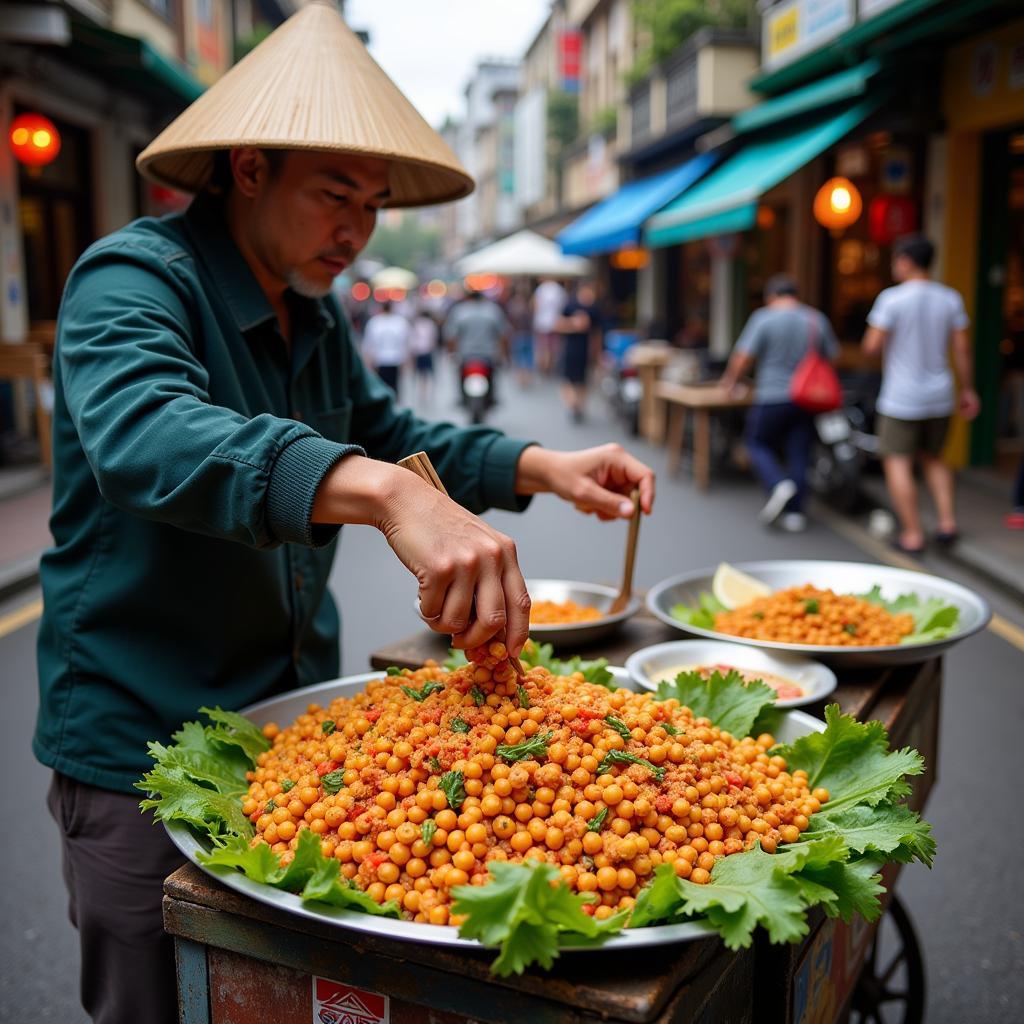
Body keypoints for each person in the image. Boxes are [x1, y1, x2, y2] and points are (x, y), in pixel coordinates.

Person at [33, 8, 656, 1023]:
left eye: (371, 205)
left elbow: (391, 428)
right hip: (137, 736)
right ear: (246, 168)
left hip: (285, 735)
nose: (357, 231)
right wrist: (384, 490)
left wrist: (544, 464)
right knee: (154, 1002)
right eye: (333, 195)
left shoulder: (313, 316)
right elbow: (146, 434)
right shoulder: (134, 280)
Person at [862, 233, 980, 553]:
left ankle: (913, 534)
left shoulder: (892, 299)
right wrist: (968, 389)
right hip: (940, 394)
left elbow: (871, 346)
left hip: (901, 398)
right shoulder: (950, 298)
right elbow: (963, 348)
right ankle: (946, 523)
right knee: (934, 459)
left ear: (904, 260)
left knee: (897, 462)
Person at [721, 274, 839, 532]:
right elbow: (832, 357)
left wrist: (730, 382)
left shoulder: (764, 318)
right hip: (806, 397)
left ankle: (778, 483)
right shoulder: (816, 319)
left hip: (772, 395)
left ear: (771, 296)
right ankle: (796, 513)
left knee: (756, 442)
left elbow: (743, 356)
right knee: (800, 451)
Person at [442, 284, 510, 387]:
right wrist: (503, 355)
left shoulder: (459, 311)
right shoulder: (493, 310)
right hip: (488, 354)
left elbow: (451, 335)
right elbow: (503, 334)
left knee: (461, 376)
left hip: (466, 354)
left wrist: (451, 354)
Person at [557, 281, 599, 423]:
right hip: (570, 347)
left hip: (585, 349)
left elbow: (597, 333)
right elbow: (558, 324)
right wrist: (573, 324)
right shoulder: (570, 306)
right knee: (568, 378)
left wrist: (597, 351)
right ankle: (573, 405)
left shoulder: (594, 309)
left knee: (583, 380)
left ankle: (579, 406)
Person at [361, 299, 410, 395]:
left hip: (385, 359)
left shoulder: (375, 322)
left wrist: (367, 361)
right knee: (392, 388)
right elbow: (405, 343)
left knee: (384, 388)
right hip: (389, 359)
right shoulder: (399, 322)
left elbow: (368, 344)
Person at [531, 276, 567, 374]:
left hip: (542, 323)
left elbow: (535, 306)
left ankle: (544, 367)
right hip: (555, 323)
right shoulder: (559, 290)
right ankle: (549, 367)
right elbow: (563, 306)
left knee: (542, 347)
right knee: (552, 348)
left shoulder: (541, 289)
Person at [504, 284, 534, 387]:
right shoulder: (529, 307)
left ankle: (522, 377)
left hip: (520, 334)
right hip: (523, 334)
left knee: (521, 356)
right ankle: (525, 377)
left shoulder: (513, 306)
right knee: (524, 356)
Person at [410, 304, 440, 405]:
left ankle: (422, 392)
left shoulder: (416, 324)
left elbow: (413, 339)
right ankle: (427, 392)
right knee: (428, 374)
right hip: (427, 351)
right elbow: (433, 339)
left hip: (419, 351)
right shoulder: (430, 324)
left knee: (420, 374)